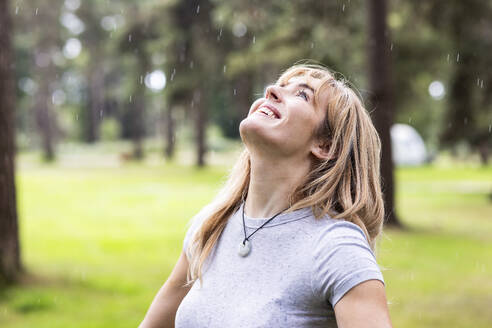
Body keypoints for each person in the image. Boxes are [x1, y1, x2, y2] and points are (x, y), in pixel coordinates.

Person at [139, 62, 393, 328]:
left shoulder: (336, 247)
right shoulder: (210, 227)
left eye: (302, 94)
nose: (271, 90)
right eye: (280, 86)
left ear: (325, 145)